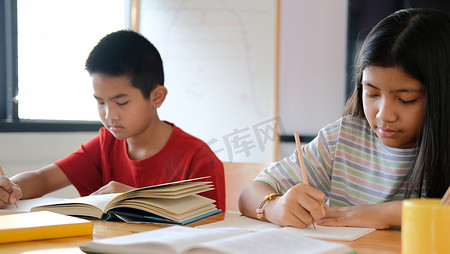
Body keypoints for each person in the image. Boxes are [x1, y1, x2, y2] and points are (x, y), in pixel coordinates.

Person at [239, 8, 450, 229]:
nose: (383, 114)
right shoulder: (342, 139)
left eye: (406, 99)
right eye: (372, 94)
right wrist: (276, 206)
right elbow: (249, 194)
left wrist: (389, 214)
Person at [0, 30, 225, 210]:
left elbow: (211, 229)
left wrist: (136, 201)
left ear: (156, 97)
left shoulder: (198, 158)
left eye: (121, 102)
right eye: (100, 102)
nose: (109, 115)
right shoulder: (105, 144)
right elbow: (43, 179)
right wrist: (11, 188)